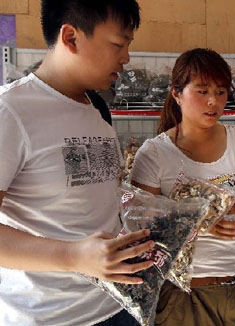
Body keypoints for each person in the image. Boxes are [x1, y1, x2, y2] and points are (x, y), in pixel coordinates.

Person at [0, 1, 155, 325]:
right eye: (118, 43)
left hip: (118, 305)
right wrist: (73, 256)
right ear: (70, 37)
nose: (126, 57)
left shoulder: (97, 108)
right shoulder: (11, 112)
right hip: (49, 317)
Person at [131, 48, 235, 326]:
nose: (213, 101)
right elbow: (142, 229)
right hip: (185, 294)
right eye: (202, 91)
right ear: (176, 93)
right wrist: (201, 222)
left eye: (221, 92)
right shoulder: (154, 154)